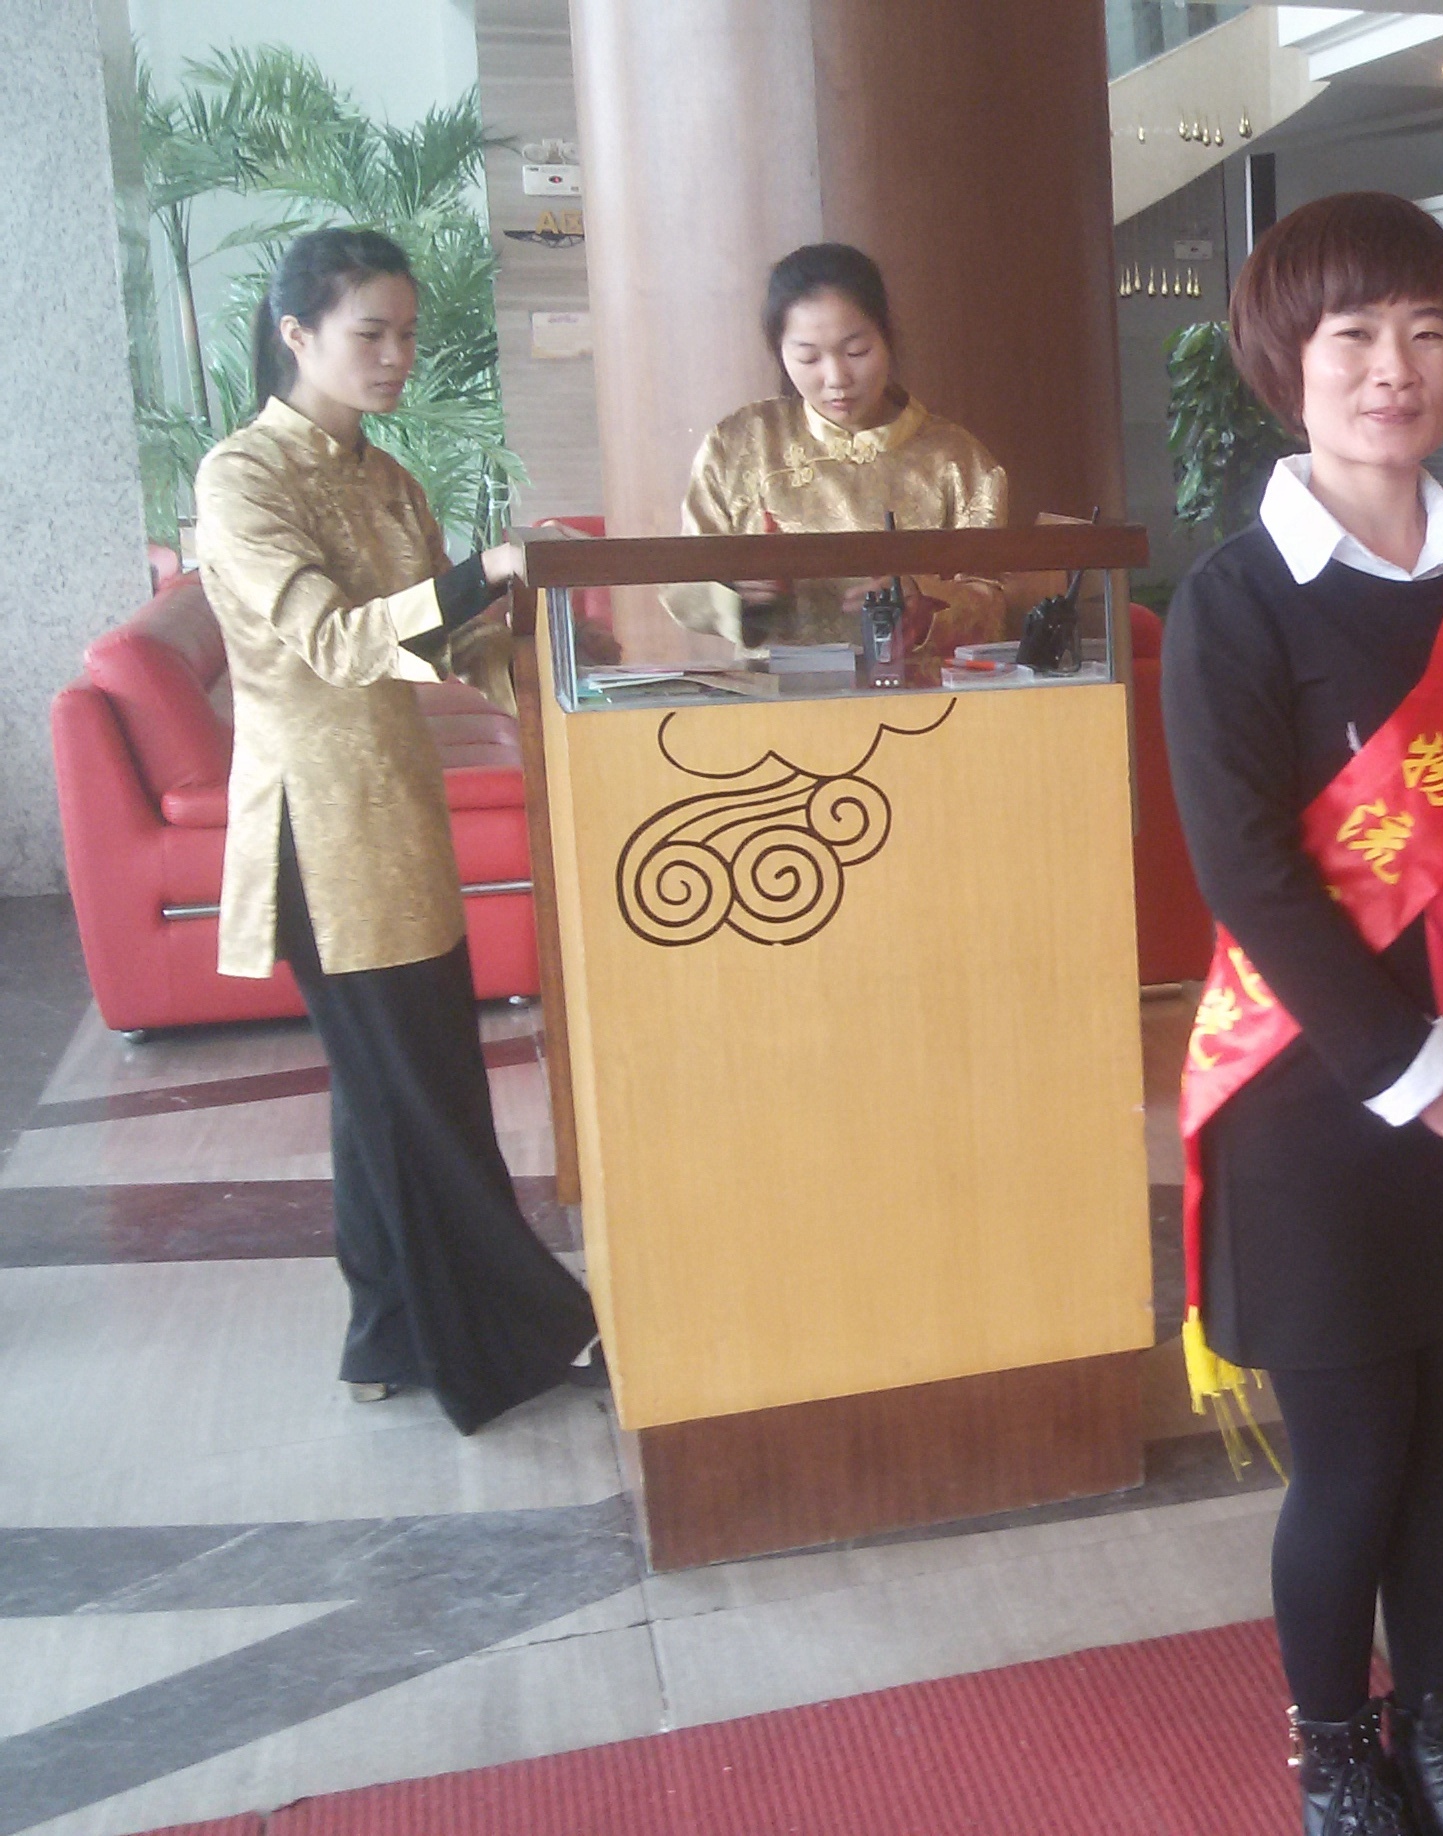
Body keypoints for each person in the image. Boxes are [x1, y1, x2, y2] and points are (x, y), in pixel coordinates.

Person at [1159, 190, 1443, 1836]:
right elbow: (1248, 875)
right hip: (1316, 1093)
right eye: (1351, 335)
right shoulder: (1233, 600)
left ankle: (1437, 1737)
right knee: (1350, 1457)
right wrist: (1424, 1074)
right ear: (1287, 362)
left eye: (1424, 331)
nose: (1391, 367)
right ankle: (1334, 1756)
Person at [195, 227, 600, 1434]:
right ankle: (527, 1334)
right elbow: (330, 641)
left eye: (408, 335)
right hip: (319, 832)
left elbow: (445, 644)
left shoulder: (387, 478)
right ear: (297, 333)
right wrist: (481, 572)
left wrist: (570, 684)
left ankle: (384, 1337)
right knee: (423, 1100)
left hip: (396, 812)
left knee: (387, 1092)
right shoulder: (242, 477)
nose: (396, 356)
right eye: (371, 333)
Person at [671, 242, 1014, 656]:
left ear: (886, 337)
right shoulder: (740, 444)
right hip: (776, 688)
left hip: (918, 687)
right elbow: (683, 581)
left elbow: (993, 604)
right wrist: (736, 591)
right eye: (808, 358)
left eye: (856, 352)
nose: (836, 377)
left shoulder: (957, 460)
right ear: (781, 353)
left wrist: (923, 600)